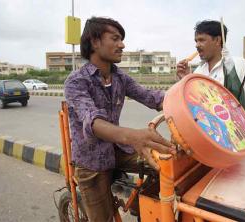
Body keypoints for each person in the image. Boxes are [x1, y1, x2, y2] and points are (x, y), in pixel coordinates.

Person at [64, 16, 176, 222]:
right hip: (91, 161)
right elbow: (93, 121)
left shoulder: (119, 77)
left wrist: (182, 99)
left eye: (121, 39)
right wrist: (132, 136)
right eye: (115, 39)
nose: (122, 45)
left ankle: (140, 206)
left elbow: (151, 97)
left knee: (168, 165)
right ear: (95, 42)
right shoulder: (76, 81)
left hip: (118, 150)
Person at [177, 20, 245, 122]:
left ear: (217, 40)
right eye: (196, 41)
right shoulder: (198, 72)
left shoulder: (241, 66)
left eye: (201, 40)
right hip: (207, 132)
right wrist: (186, 79)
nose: (197, 45)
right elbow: (195, 106)